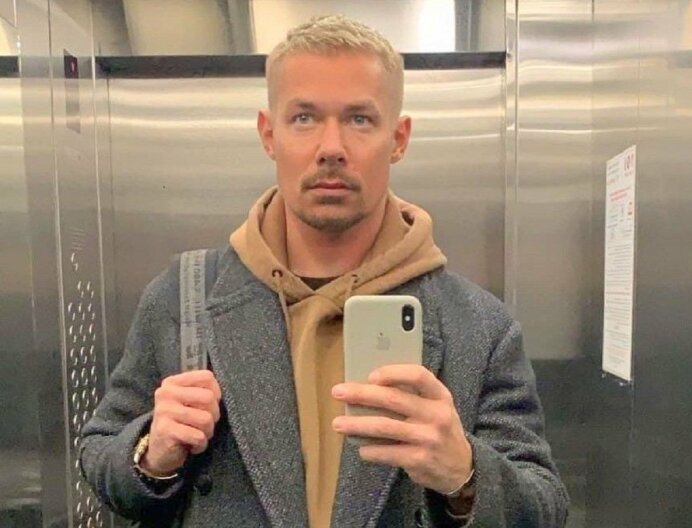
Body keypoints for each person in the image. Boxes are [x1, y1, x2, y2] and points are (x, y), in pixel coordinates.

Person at [79, 14, 568, 528]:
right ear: (269, 134)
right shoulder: (184, 299)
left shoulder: (479, 326)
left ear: (398, 139)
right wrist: (151, 454)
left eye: (359, 119)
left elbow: (545, 506)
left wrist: (465, 475)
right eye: (304, 118)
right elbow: (99, 454)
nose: (331, 147)